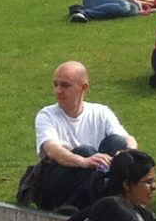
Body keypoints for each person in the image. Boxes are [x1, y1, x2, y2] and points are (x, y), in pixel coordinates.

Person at [27, 61, 137, 213]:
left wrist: (125, 154)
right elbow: (52, 150)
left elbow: (127, 138)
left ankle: (101, 201)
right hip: (58, 181)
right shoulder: (46, 115)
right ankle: (109, 202)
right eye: (55, 84)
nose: (58, 90)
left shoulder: (101, 112)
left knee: (117, 142)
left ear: (83, 87)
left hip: (93, 177)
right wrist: (84, 161)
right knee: (85, 151)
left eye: (65, 85)